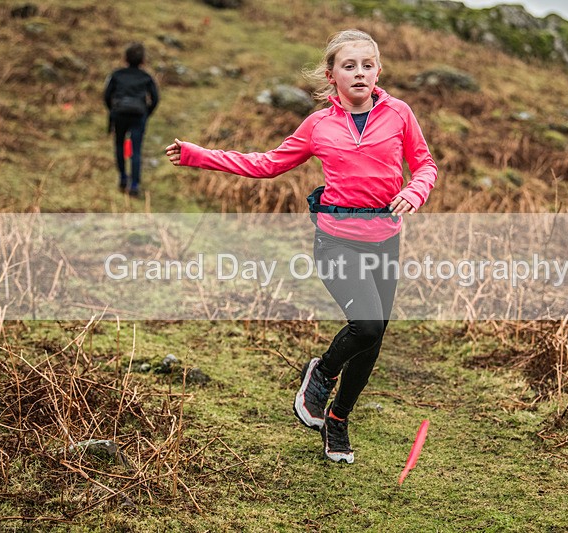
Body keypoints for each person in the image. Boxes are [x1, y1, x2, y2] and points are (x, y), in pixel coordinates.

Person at [165, 29, 437, 463]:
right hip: (336, 242)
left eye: (367, 65)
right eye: (349, 66)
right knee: (366, 325)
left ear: (378, 71)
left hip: (385, 241)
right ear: (332, 76)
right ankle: (322, 372)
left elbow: (424, 164)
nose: (360, 73)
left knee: (374, 339)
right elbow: (268, 164)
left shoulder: (400, 114)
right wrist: (200, 154)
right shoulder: (319, 125)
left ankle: (338, 421)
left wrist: (416, 190)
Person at [104, 42, 159, 196]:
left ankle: (122, 177)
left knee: (119, 146)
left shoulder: (116, 74)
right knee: (136, 150)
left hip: (119, 114)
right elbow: (155, 99)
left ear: (125, 58)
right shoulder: (146, 77)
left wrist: (113, 110)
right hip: (138, 116)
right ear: (143, 60)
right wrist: (147, 113)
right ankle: (134, 184)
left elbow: (107, 96)